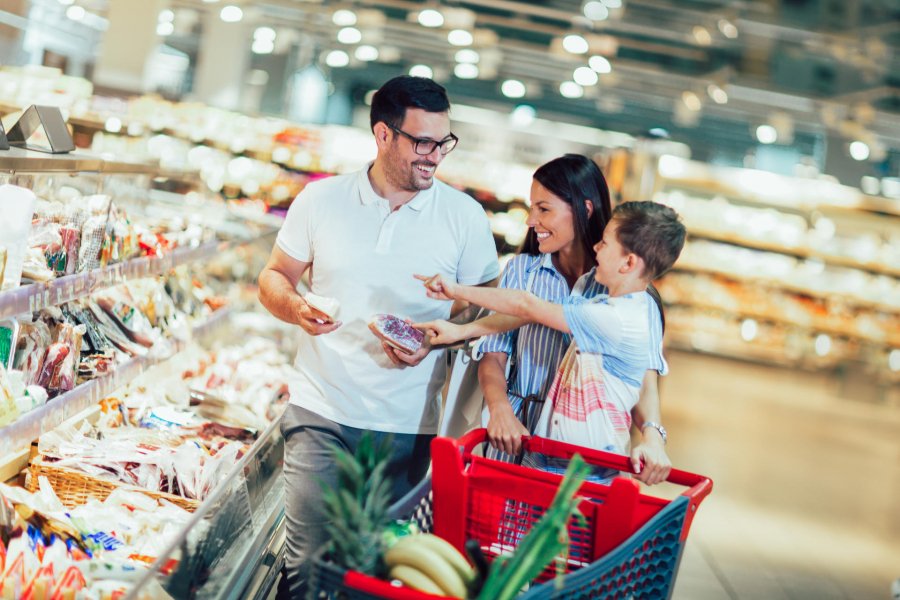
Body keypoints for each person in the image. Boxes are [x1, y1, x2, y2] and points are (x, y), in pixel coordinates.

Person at [257, 75, 499, 597]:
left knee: (374, 572)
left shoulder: (465, 218)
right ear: (383, 135)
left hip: (408, 426)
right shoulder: (321, 200)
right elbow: (273, 277)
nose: (434, 156)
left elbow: (485, 314)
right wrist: (298, 309)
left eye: (443, 143)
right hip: (320, 411)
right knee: (308, 566)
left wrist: (440, 338)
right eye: (422, 142)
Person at [417, 155, 672, 484]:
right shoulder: (523, 270)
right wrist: (499, 410)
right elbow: (498, 345)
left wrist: (653, 435)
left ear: (584, 209)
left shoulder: (622, 293)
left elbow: (642, 380)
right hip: (511, 440)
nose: (531, 220)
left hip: (579, 462)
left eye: (544, 208)